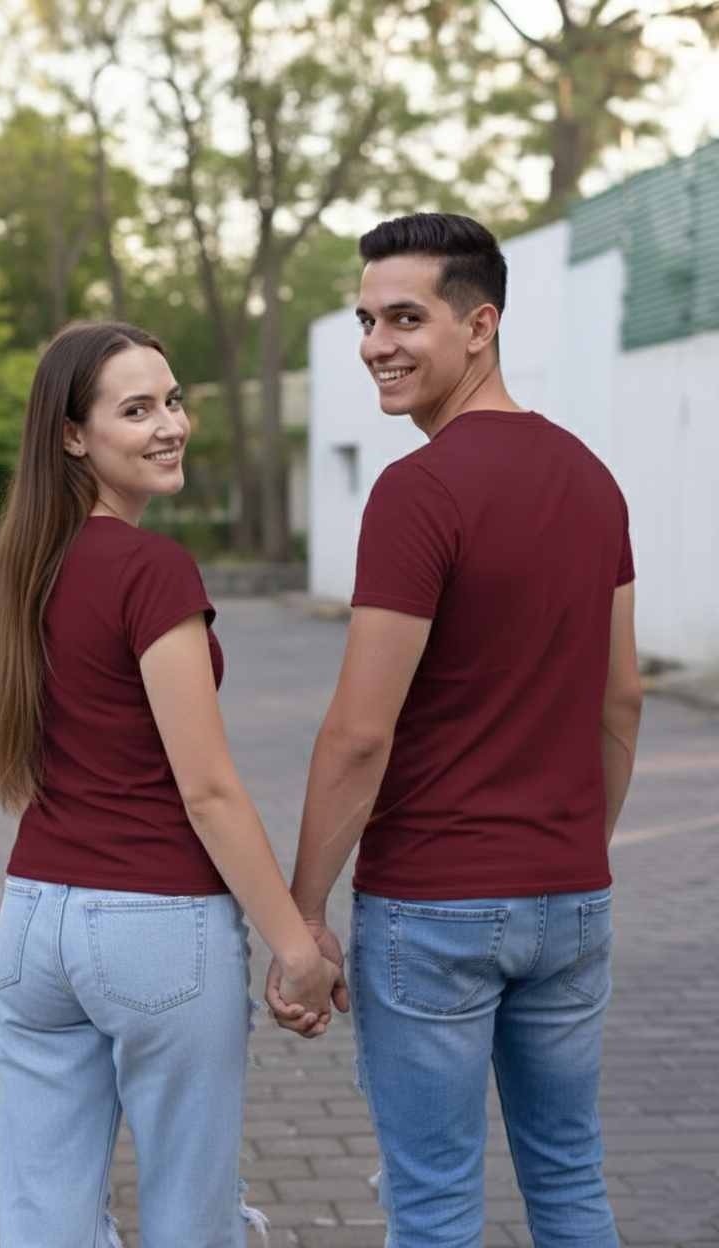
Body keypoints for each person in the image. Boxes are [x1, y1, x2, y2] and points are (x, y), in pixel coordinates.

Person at [267, 213, 643, 1247]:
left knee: (433, 1204)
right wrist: (575, 851)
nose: (376, 343)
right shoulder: (590, 478)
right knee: (570, 1182)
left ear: (480, 325)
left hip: (433, 908)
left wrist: (301, 918)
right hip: (569, 898)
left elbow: (356, 733)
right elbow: (622, 699)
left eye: (405, 317)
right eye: (365, 319)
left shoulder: (417, 491)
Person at [0, 320, 339, 1248]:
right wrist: (294, 942)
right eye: (135, 410)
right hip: (155, 930)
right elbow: (208, 791)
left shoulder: (27, 567)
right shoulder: (151, 569)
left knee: (43, 1220)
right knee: (190, 1216)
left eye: (173, 400)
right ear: (72, 434)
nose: (169, 424)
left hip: (31, 928)